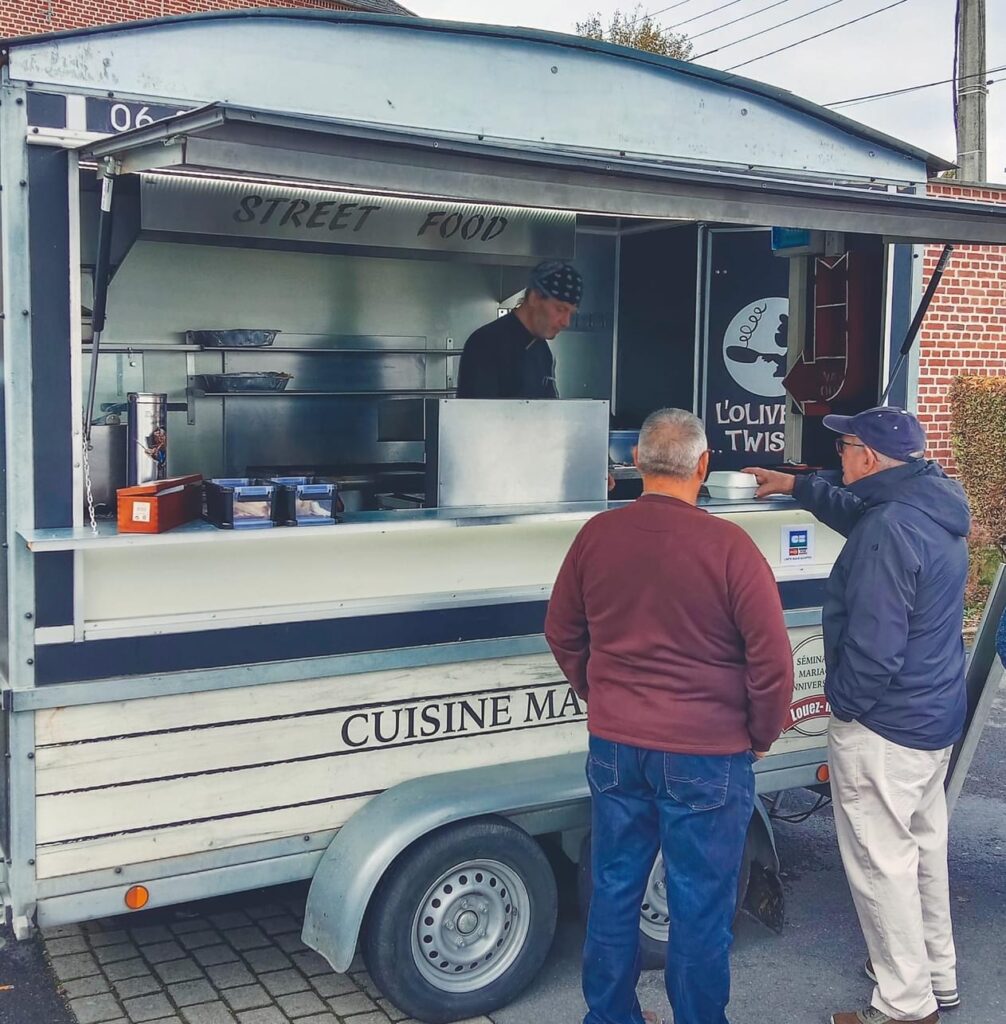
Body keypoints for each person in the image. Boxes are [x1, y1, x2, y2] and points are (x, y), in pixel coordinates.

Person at [545, 408, 794, 1024]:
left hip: (615, 748)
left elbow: (561, 631)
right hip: (707, 755)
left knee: (614, 892)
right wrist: (760, 735)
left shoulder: (596, 537)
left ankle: (609, 1017)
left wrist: (597, 692)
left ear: (636, 464)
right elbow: (772, 663)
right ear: (704, 467)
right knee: (700, 907)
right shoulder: (730, 547)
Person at [744, 406, 970, 1024]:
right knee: (920, 848)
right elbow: (858, 511)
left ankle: (903, 1005)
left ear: (868, 457)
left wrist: (843, 708)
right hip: (930, 717)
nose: (838, 455)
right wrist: (796, 486)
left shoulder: (890, 529)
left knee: (880, 864)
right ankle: (935, 978)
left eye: (843, 447)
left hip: (885, 727)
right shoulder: (928, 504)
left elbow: (874, 647)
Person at [456, 259, 582, 398]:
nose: (566, 322)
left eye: (570, 313)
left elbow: (548, 410)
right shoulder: (486, 343)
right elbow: (476, 414)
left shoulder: (543, 351)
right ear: (534, 298)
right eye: (560, 309)